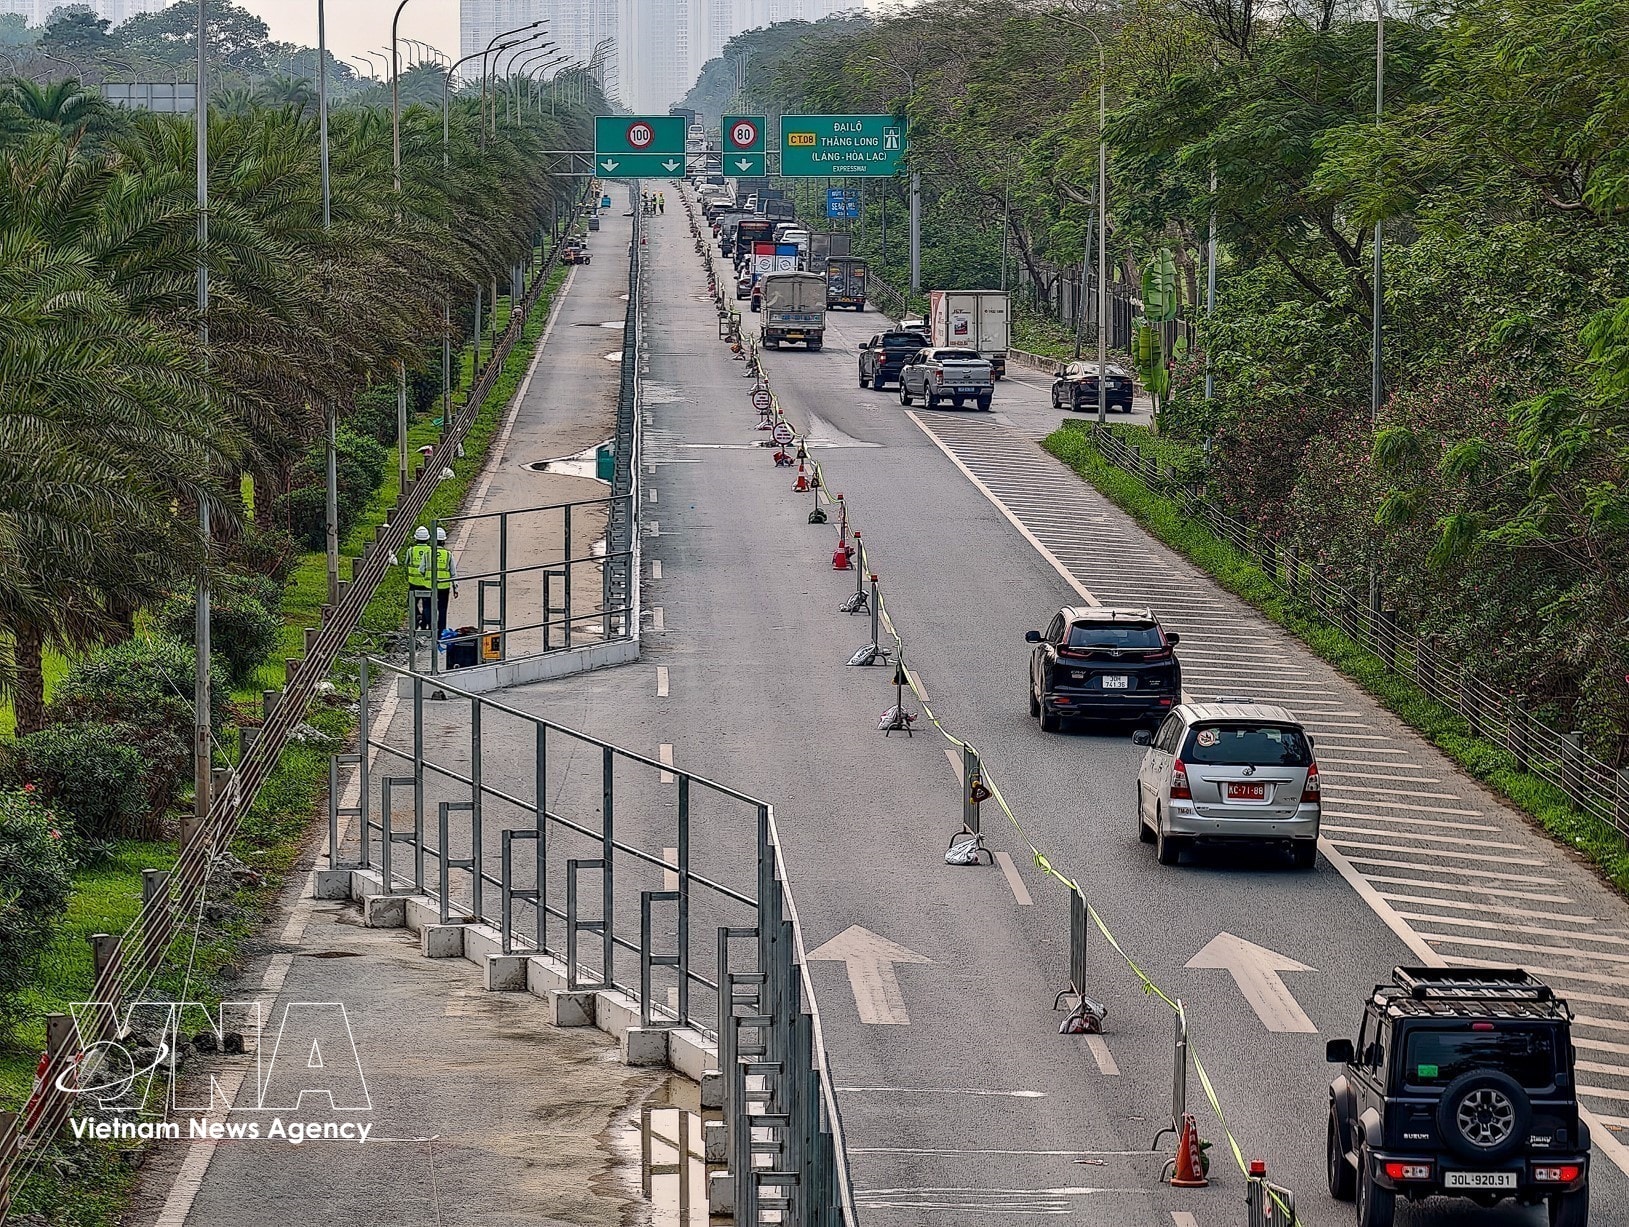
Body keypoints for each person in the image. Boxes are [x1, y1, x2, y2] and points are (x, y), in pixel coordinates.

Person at [405, 526, 433, 630]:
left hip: (414, 583)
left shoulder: (411, 550)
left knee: (411, 603)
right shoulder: (430, 550)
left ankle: (416, 618)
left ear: (416, 538)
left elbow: (406, 563)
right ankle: (426, 625)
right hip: (427, 583)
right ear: (428, 538)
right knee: (427, 605)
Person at [430, 527, 458, 631]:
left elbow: (422, 569)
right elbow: (453, 572)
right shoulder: (447, 554)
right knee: (442, 610)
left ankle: (431, 629)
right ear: (443, 541)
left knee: (429, 607)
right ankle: (441, 631)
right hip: (444, 587)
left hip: (430, 586)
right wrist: (456, 588)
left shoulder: (428, 553)